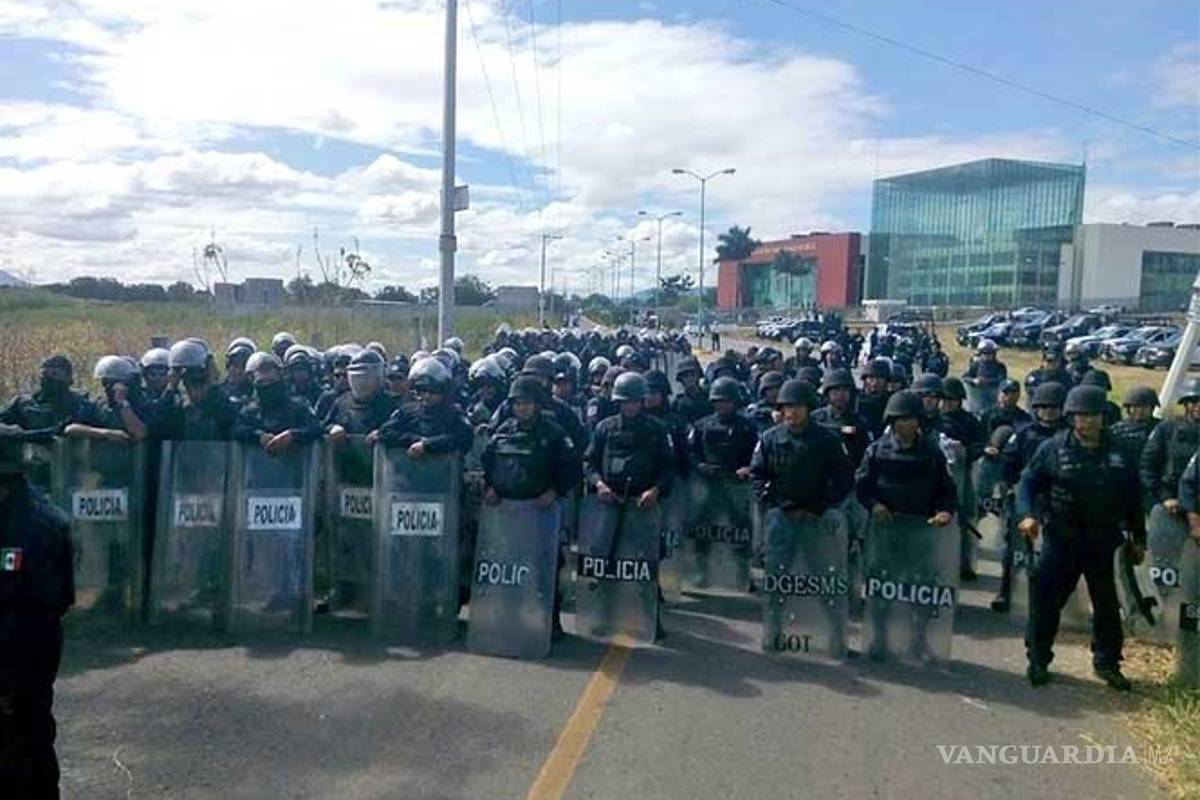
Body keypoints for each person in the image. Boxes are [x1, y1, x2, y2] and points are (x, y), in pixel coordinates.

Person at [1017, 385, 1145, 691]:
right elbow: (1027, 484)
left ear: (1103, 417)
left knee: (1106, 604)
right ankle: (1038, 658)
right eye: (1080, 416)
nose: (1086, 422)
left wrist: (1139, 538)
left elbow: (1134, 497)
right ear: (1071, 417)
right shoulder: (1052, 448)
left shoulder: (1121, 452)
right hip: (1062, 537)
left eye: (1092, 415)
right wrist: (1027, 515)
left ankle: (1107, 662)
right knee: (1047, 601)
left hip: (1104, 540)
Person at [0, 439, 74, 799]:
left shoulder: (40, 528)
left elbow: (48, 607)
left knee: (28, 750)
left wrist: (9, 683)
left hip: (22, 662)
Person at [481, 376, 580, 636]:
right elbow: (486, 463)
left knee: (545, 566)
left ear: (537, 404)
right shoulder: (503, 430)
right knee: (507, 567)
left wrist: (554, 491)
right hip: (506, 512)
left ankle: (550, 621)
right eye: (517, 404)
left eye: (527, 403)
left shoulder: (554, 433)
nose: (521, 408)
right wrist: (488, 487)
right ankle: (507, 617)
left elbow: (571, 469)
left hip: (540, 512)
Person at [990, 382, 1068, 612]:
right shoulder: (1023, 433)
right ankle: (1006, 591)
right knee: (1014, 548)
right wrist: (1007, 489)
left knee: (1055, 550)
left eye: (1054, 407)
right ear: (1036, 409)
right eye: (1044, 407)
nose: (1049, 412)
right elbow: (1007, 464)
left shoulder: (1068, 435)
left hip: (1058, 500)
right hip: (1025, 497)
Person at [750, 378, 853, 515]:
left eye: (798, 406)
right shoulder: (770, 439)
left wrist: (824, 505)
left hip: (818, 515)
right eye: (788, 406)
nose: (793, 411)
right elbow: (757, 474)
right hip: (780, 513)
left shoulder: (828, 439)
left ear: (808, 408)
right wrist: (771, 502)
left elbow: (843, 477)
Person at [855, 390, 957, 528]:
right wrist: (873, 505)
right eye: (902, 420)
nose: (907, 425)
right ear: (892, 421)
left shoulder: (932, 452)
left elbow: (946, 487)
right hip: (885, 525)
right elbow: (862, 485)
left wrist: (945, 511)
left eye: (911, 419)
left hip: (922, 525)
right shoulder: (876, 452)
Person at [585, 372, 674, 508]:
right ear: (618, 402)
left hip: (644, 502)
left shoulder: (657, 429)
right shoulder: (604, 427)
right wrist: (599, 484)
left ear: (642, 401)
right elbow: (589, 462)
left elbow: (668, 466)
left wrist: (655, 490)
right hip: (608, 501)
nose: (631, 406)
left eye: (635, 401)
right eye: (626, 401)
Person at [377, 358, 473, 457]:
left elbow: (464, 437)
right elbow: (385, 432)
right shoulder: (407, 411)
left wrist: (428, 445)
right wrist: (414, 440)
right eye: (421, 389)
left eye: (433, 390)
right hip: (407, 470)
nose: (427, 395)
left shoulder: (453, 414)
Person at [1140, 376, 1200, 533]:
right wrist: (1165, 497)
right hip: (1171, 507)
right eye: (1194, 401)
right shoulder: (1166, 429)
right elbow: (1147, 466)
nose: (1198, 406)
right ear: (1185, 404)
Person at [232, 352, 322, 454]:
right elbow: (237, 430)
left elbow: (315, 428)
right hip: (257, 467)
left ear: (280, 377)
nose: (267, 386)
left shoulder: (298, 406)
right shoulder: (250, 411)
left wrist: (292, 435)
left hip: (296, 467)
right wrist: (259, 436)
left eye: (271, 381)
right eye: (261, 382)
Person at [151, 340, 239, 441]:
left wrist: (214, 385)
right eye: (191, 383)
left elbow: (229, 419)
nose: (196, 389)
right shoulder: (178, 409)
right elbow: (156, 427)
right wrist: (171, 388)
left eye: (201, 382)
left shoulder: (218, 407)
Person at [0, 354, 101, 437]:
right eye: (45, 374)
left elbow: (61, 430)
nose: (49, 379)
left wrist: (23, 435)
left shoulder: (80, 405)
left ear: (68, 378)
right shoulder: (23, 403)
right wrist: (10, 430)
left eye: (54, 374)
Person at [689, 377, 758, 482]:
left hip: (738, 482)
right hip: (709, 483)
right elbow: (691, 453)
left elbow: (757, 454)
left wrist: (748, 468)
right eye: (718, 401)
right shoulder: (701, 426)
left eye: (726, 401)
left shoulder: (747, 426)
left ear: (735, 401)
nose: (722, 405)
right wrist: (699, 465)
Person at [323, 350, 395, 445]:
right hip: (347, 458)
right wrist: (333, 428)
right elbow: (322, 425)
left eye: (367, 377)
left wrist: (383, 434)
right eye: (358, 377)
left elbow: (406, 431)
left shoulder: (393, 403)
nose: (362, 382)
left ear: (379, 377)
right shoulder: (342, 402)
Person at [812, 368, 870, 468]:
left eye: (845, 390)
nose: (841, 395)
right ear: (828, 393)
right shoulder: (815, 418)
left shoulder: (858, 422)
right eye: (836, 390)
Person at [1109, 386, 1160, 466]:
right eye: (1136, 406)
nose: (1140, 411)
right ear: (1129, 408)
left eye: (1144, 407)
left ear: (1152, 408)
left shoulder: (1160, 428)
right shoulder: (1117, 429)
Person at [857, 358, 892, 439]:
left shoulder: (891, 401)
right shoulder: (855, 400)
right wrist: (857, 430)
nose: (875, 382)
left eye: (879, 378)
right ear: (865, 380)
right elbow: (842, 427)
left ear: (886, 381)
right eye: (871, 377)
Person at [671, 357, 713, 425]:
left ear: (698, 376)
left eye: (693, 375)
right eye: (686, 376)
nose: (690, 378)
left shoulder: (708, 397)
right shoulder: (677, 404)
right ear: (681, 379)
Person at [746, 371, 784, 436]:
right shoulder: (757, 410)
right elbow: (754, 412)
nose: (774, 393)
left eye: (777, 388)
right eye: (770, 389)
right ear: (764, 392)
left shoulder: (787, 407)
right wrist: (770, 412)